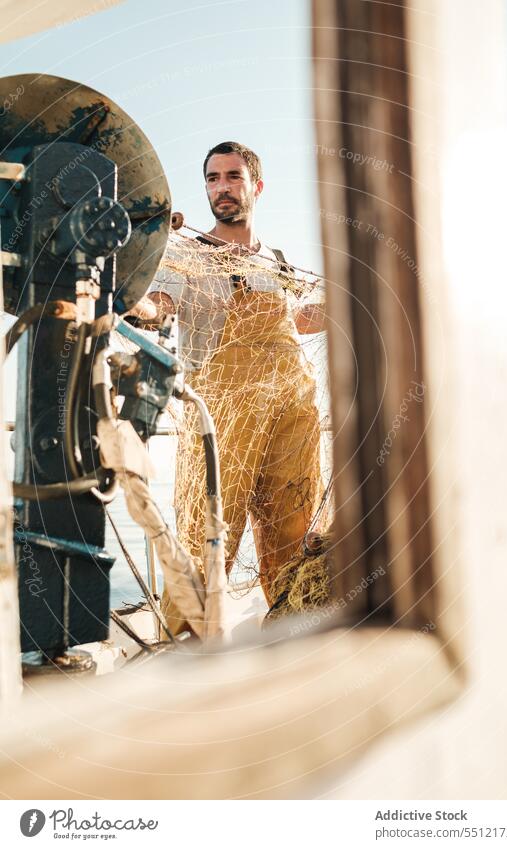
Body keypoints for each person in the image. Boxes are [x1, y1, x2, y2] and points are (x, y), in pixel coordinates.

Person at [147, 141, 326, 629]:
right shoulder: (187, 254)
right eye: (212, 178)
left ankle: (290, 628)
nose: (221, 188)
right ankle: (188, 642)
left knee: (293, 523)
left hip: (292, 405)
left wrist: (345, 306)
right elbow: (159, 304)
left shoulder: (278, 261)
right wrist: (132, 307)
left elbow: (297, 320)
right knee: (206, 532)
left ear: (256, 186)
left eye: (232, 177)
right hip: (220, 412)